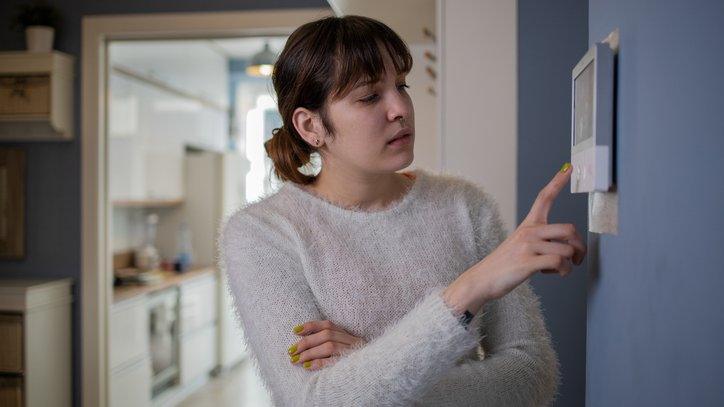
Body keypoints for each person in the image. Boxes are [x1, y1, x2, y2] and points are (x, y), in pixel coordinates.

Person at [219, 15, 586, 407]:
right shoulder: (262, 233)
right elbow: (316, 400)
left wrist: (370, 364)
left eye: (401, 86)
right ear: (311, 126)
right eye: (370, 97)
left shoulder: (465, 205)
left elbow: (532, 375)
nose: (400, 108)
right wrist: (470, 288)